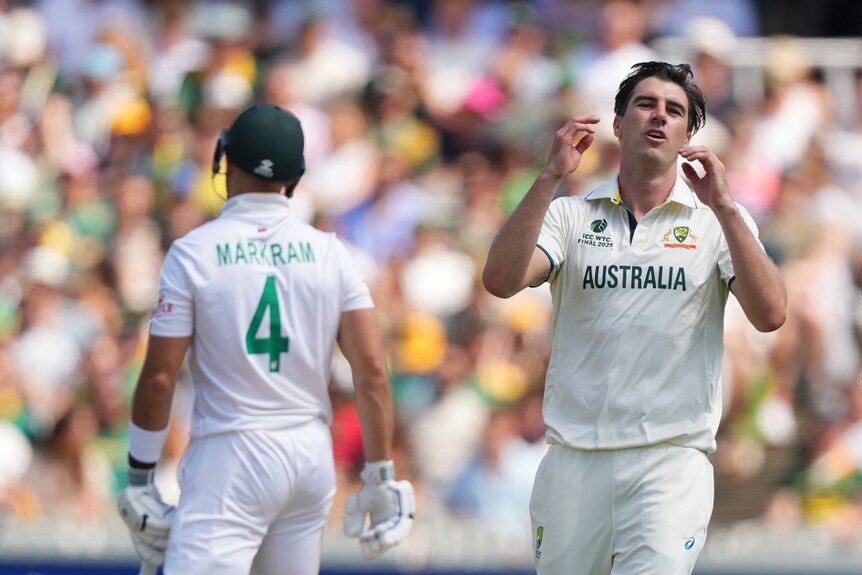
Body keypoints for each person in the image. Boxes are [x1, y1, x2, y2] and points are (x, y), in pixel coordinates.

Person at [482, 62, 786, 575]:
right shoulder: (569, 215)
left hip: (670, 462)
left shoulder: (717, 223)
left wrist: (728, 209)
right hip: (575, 460)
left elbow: (771, 314)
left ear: (688, 134)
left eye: (674, 111)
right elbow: (500, 280)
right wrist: (550, 175)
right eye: (646, 104)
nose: (659, 117)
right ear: (618, 124)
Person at [116, 103, 415, 575]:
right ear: (294, 179)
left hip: (230, 455)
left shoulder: (193, 253)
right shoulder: (331, 253)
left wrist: (139, 477)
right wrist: (379, 473)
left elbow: (158, 378)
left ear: (223, 161)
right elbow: (373, 372)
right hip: (308, 458)